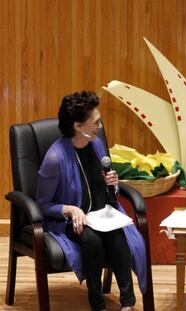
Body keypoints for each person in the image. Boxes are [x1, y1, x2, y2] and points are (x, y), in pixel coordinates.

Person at [36, 91, 147, 311]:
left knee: (117, 234)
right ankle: (97, 305)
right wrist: (69, 209)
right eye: (95, 122)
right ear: (78, 126)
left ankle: (128, 304)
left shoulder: (96, 145)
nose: (99, 125)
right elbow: (42, 204)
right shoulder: (55, 158)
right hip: (72, 221)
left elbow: (102, 188)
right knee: (92, 239)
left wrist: (112, 183)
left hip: (103, 214)